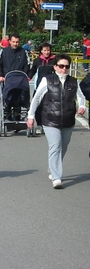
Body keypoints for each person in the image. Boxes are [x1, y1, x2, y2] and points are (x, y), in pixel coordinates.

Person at [27, 54, 86, 189]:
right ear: (55, 67)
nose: (64, 69)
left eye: (66, 66)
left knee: (63, 147)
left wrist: (82, 106)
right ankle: (56, 177)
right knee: (55, 146)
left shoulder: (73, 81)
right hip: (50, 120)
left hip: (68, 120)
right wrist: (30, 116)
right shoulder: (47, 80)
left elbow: (81, 97)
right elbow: (36, 99)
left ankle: (52, 168)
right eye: (61, 66)